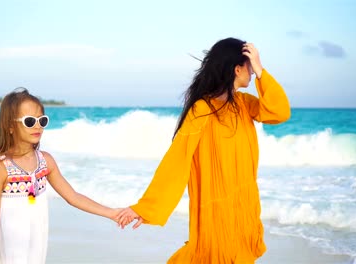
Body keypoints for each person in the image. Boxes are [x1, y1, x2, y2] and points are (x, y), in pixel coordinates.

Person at [117, 38, 290, 263]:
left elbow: (279, 112)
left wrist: (260, 70)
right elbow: (177, 161)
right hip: (215, 214)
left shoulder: (245, 104)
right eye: (249, 66)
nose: (252, 71)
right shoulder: (201, 109)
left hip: (244, 211)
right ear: (237, 69)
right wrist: (147, 207)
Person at [0, 88, 119, 264]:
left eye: (42, 120)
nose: (38, 126)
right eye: (30, 121)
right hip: (8, 249)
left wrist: (112, 213)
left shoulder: (45, 161)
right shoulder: (1, 166)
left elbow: (73, 197)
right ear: (10, 126)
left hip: (34, 245)